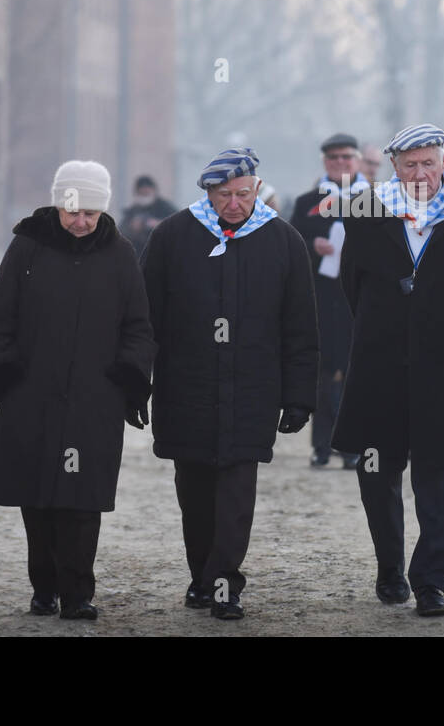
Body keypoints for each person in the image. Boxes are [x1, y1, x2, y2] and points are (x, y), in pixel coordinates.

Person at [330, 124, 444, 617]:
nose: (421, 173)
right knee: (375, 469)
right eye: (410, 165)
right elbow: (353, 285)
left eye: (429, 163)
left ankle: (430, 581)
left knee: (442, 474)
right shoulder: (365, 212)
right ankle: (390, 567)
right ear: (394, 166)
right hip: (378, 361)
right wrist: (384, 328)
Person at [140, 146, 319, 619]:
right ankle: (201, 577)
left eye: (243, 193)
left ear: (257, 189)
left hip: (253, 392)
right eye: (224, 195)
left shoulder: (284, 241)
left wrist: (300, 396)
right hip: (186, 390)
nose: (235, 203)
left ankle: (224, 584)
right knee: (194, 495)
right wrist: (136, 383)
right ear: (208, 193)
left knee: (236, 496)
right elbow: (144, 320)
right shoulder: (172, 236)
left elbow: (300, 326)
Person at [0, 159, 155, 621]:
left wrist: (129, 380)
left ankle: (77, 594)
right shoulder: (27, 249)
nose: (81, 221)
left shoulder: (120, 254)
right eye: (73, 210)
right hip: (30, 396)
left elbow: (138, 327)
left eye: (91, 214)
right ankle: (44, 586)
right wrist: (5, 374)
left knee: (81, 501)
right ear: (58, 203)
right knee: (37, 498)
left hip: (94, 400)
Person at [288, 133, 370, 469]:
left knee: (356, 375)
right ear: (325, 162)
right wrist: (313, 245)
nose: (340, 163)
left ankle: (352, 445)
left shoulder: (376, 198)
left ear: (358, 161)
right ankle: (321, 445)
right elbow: (291, 245)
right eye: (333, 158)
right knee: (322, 375)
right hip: (320, 299)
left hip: (360, 301)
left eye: (346, 158)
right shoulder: (309, 200)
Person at [118, 175, 177, 255]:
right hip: (139, 254)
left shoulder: (165, 207)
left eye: (147, 193)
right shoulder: (133, 211)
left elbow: (179, 224)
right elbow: (121, 232)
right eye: (142, 193)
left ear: (153, 191)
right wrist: (132, 227)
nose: (144, 196)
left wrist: (159, 224)